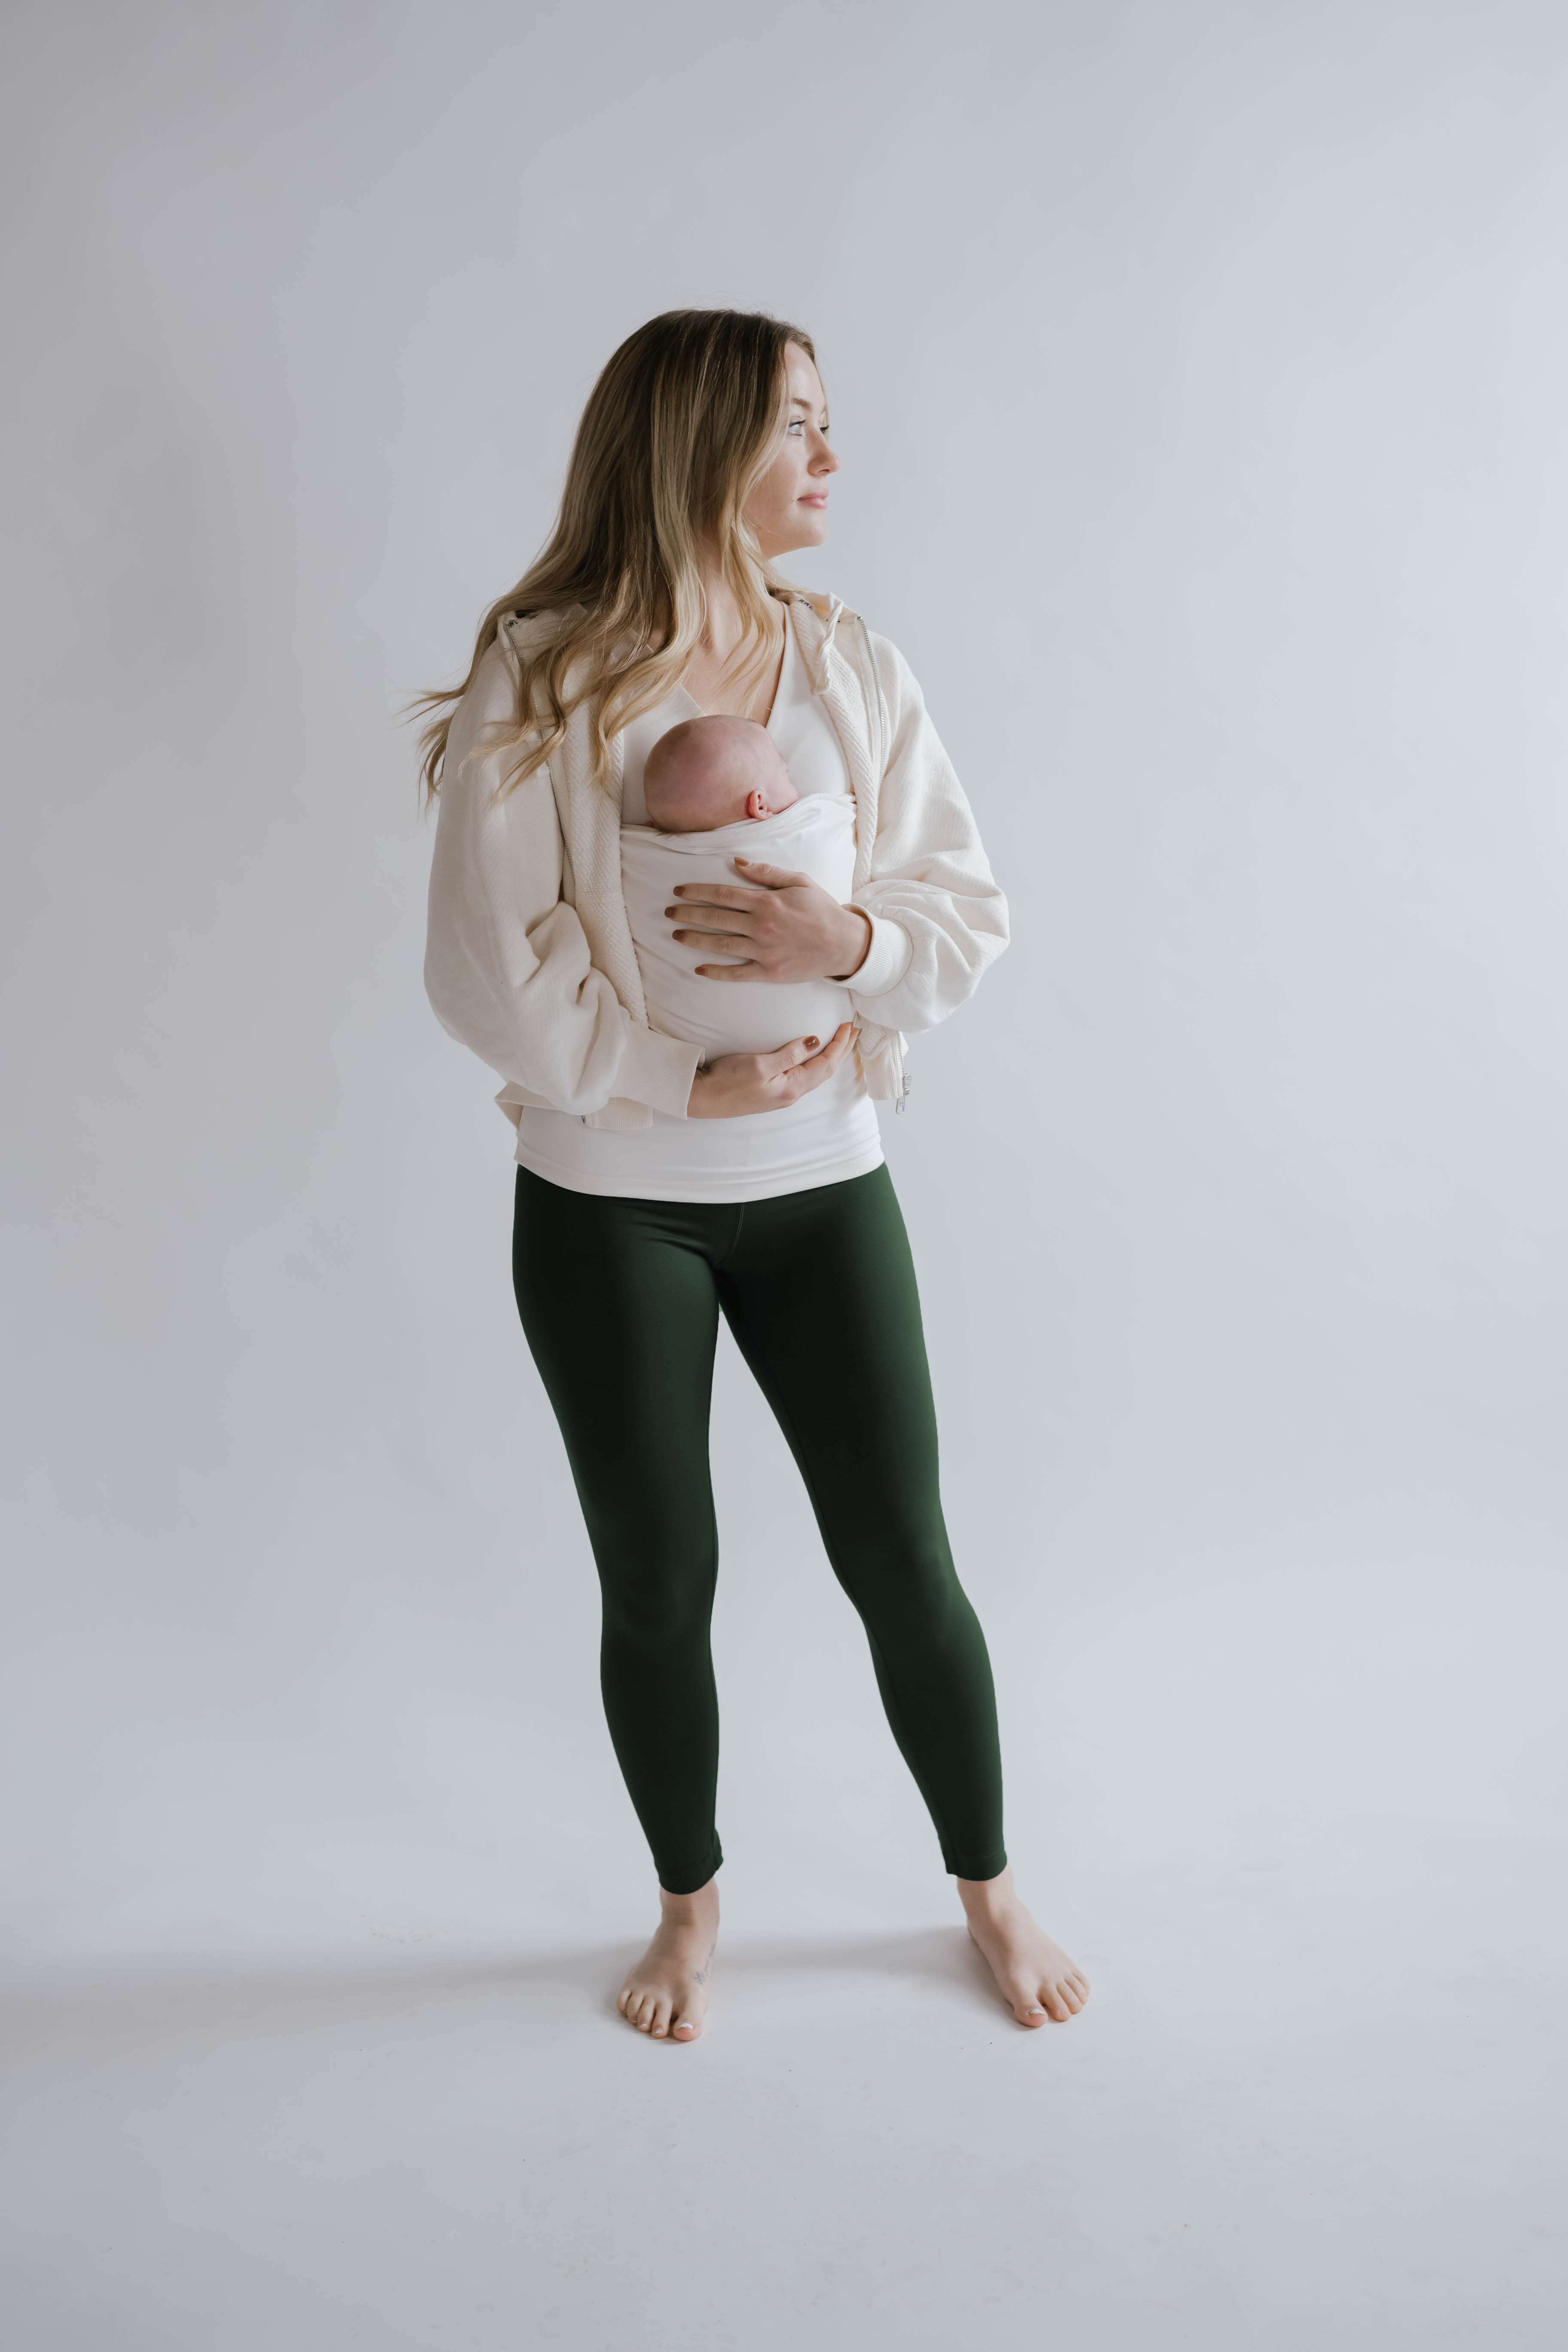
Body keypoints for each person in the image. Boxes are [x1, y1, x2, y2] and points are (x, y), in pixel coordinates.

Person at [419, 308, 1089, 2043]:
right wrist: (672, 1076)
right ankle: (689, 1908)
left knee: (905, 1558)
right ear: (706, 444)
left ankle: (990, 1885)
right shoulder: (547, 674)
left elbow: (965, 909)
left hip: (825, 1184)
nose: (830, 458)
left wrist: (842, 935)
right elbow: (487, 960)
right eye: (801, 423)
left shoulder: (850, 664)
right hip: (606, 1200)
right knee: (659, 1574)